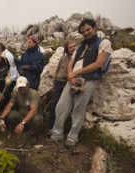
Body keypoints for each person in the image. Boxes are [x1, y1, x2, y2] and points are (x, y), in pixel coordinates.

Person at [47, 19, 112, 148]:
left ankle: (72, 137)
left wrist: (76, 73)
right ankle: (57, 134)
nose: (86, 33)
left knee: (78, 109)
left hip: (88, 80)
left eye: (88, 30)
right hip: (72, 80)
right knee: (61, 107)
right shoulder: (81, 46)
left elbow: (99, 63)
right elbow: (71, 64)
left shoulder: (104, 43)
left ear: (95, 27)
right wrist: (71, 76)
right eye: (83, 32)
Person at [0, 76, 43, 145]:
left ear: (27, 85)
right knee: (10, 115)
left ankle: (33, 134)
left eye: (23, 87)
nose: (21, 89)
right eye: (19, 87)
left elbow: (34, 111)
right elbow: (9, 105)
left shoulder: (33, 94)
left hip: (32, 117)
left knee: (37, 119)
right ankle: (22, 128)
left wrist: (22, 123)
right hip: (22, 115)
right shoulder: (16, 93)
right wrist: (2, 117)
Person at [48, 41, 77, 133]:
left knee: (64, 106)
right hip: (59, 82)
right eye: (70, 47)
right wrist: (54, 82)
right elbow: (57, 70)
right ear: (67, 50)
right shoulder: (63, 58)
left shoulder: (77, 59)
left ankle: (62, 127)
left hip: (68, 83)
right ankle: (51, 126)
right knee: (54, 104)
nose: (73, 48)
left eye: (74, 46)